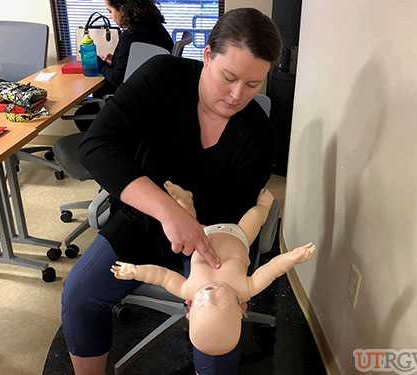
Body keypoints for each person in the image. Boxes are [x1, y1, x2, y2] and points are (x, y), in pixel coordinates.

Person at [62, 7, 283, 375]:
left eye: (252, 84)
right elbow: (97, 145)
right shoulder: (164, 77)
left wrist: (221, 284)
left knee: (217, 332)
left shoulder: (258, 137)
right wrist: (169, 212)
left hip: (209, 243)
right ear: (208, 55)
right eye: (228, 77)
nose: (236, 95)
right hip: (143, 219)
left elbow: (233, 223)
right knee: (79, 295)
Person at [111, 181, 315, 356]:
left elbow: (162, 277)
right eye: (220, 304)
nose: (209, 296)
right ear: (240, 310)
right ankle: (263, 205)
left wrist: (136, 271)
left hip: (200, 235)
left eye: (201, 305)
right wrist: (293, 257)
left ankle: (186, 200)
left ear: (189, 312)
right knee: (255, 216)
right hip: (240, 235)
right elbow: (272, 269)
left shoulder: (187, 290)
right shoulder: (245, 289)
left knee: (185, 217)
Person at [74, 0, 174, 131]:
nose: (110, 16)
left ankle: (103, 149)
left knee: (83, 115)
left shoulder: (132, 35)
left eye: (110, 11)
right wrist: (114, 61)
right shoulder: (154, 27)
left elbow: (118, 79)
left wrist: (100, 64)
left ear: (122, 9)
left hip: (132, 104)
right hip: (153, 98)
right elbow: (136, 63)